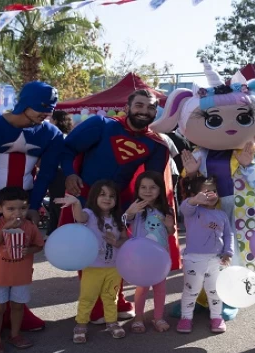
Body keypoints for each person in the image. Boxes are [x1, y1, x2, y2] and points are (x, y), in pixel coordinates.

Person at [152, 61, 255, 322]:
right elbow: (187, 187)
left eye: (241, 117)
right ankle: (202, 299)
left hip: (243, 209)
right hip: (211, 209)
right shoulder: (199, 153)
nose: (229, 127)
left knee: (237, 251)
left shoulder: (248, 151)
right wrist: (193, 172)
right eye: (215, 119)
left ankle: (231, 296)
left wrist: (250, 165)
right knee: (206, 250)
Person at [60, 89, 176, 324]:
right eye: (140, 105)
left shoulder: (155, 144)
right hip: (86, 195)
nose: (144, 111)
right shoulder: (101, 125)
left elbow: (152, 182)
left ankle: (116, 298)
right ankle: (93, 305)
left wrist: (157, 213)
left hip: (120, 202)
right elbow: (67, 148)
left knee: (118, 249)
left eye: (151, 107)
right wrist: (70, 174)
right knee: (89, 250)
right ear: (128, 106)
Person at [0, 81, 64, 347]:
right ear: (25, 103)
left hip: (23, 206)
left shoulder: (50, 134)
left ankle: (18, 314)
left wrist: (32, 206)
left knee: (21, 257)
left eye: (50, 108)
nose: (47, 113)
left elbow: (48, 172)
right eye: (42, 107)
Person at [55, 180, 129, 343]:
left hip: (114, 268)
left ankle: (111, 322)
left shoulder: (118, 219)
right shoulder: (89, 214)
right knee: (88, 297)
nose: (107, 198)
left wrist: (115, 243)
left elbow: (125, 239)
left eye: (111, 195)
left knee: (111, 297)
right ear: (94, 196)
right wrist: (75, 203)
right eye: (102, 194)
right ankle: (80, 325)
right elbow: (79, 217)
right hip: (93, 267)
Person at [0, 187, 44, 353]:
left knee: (18, 306)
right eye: (11, 209)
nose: (17, 213)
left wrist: (29, 250)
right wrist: (5, 230)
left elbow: (39, 245)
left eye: (22, 208)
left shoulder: (29, 226)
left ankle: (15, 335)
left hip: (21, 275)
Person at [177, 176, 233, 334]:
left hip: (216, 260)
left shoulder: (221, 215)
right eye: (206, 192)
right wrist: (194, 200)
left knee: (215, 291)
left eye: (214, 191)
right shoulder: (193, 211)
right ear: (195, 195)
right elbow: (184, 208)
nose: (211, 194)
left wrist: (228, 252)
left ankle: (216, 317)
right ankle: (186, 318)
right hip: (194, 259)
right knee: (191, 290)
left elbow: (229, 235)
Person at [122, 171, 175, 333]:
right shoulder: (137, 209)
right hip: (141, 259)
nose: (147, 190)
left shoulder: (166, 210)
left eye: (153, 187)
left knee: (160, 289)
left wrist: (169, 225)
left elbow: (171, 232)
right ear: (137, 189)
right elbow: (123, 222)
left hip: (161, 259)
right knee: (142, 288)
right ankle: (138, 318)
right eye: (143, 187)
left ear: (160, 190)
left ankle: (158, 317)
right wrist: (130, 212)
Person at [46, 110, 73, 235]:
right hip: (64, 175)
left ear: (56, 121)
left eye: (51, 119)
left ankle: (57, 232)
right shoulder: (69, 137)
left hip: (59, 175)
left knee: (57, 205)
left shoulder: (56, 137)